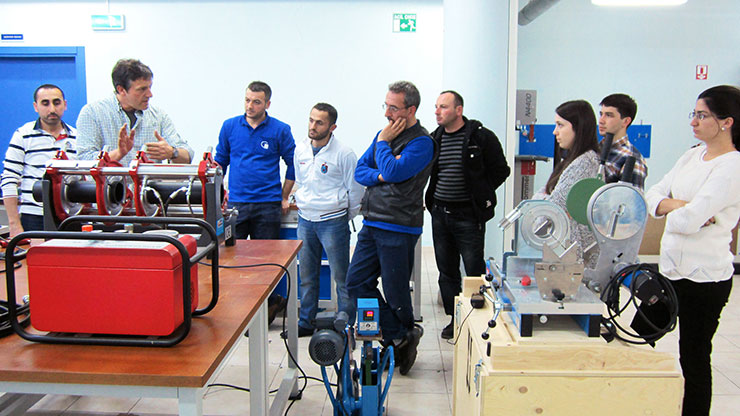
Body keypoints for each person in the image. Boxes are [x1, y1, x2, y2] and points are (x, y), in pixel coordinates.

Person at [645, 85, 740, 416]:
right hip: (670, 271)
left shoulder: (732, 166)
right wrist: (681, 207)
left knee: (694, 355)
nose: (694, 122)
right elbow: (652, 195)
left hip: (706, 279)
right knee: (640, 333)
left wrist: (676, 211)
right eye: (694, 114)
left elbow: (686, 221)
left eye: (702, 115)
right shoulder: (690, 155)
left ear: (726, 122)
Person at [346, 81, 435, 375]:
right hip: (372, 222)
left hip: (399, 226)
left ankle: (399, 339)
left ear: (410, 110)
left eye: (393, 107)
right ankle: (401, 336)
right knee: (356, 283)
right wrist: (382, 175)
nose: (387, 112)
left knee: (396, 293)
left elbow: (397, 170)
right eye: (385, 105)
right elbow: (361, 171)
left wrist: (383, 147)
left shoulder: (422, 142)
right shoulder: (383, 135)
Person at [425, 90, 510, 340]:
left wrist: (480, 191)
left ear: (458, 110)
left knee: (473, 270)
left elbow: (501, 170)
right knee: (446, 271)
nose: (438, 112)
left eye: (443, 107)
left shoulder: (481, 138)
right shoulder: (435, 139)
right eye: (436, 107)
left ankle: (477, 319)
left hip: (468, 216)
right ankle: (455, 319)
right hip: (440, 213)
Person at [215, 80, 296, 323]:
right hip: (236, 205)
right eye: (247, 100)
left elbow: (293, 164)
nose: (250, 106)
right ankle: (239, 308)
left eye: (256, 102)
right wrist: (219, 196)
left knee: (265, 262)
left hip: (267, 205)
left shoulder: (280, 129)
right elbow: (220, 163)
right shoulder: (230, 127)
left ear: (267, 104)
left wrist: (284, 196)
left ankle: (267, 306)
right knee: (233, 258)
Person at [293, 103, 364, 337]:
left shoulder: (344, 153)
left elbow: (355, 190)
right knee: (307, 276)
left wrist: (345, 216)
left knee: (341, 276)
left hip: (333, 222)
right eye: (311, 120)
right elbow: (300, 181)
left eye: (319, 122)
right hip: (305, 220)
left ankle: (346, 323)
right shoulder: (300, 149)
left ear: (332, 126)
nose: (313, 126)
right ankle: (306, 321)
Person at [76, 59, 193, 165]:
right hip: (110, 187)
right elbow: (84, 160)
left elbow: (188, 155)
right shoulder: (92, 113)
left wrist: (173, 152)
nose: (150, 95)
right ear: (121, 90)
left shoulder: (158, 116)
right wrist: (118, 153)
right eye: (142, 89)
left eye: (149, 87)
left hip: (147, 188)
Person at [2, 84, 77, 236]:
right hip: (35, 217)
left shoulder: (77, 137)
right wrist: (14, 224)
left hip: (71, 217)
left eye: (57, 102)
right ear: (36, 107)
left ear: (65, 105)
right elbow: (9, 179)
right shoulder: (23, 135)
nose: (52, 109)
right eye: (45, 103)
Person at [534, 100, 600, 266]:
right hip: (565, 252)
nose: (555, 132)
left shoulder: (585, 163)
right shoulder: (571, 161)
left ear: (579, 128)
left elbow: (552, 208)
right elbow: (545, 196)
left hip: (576, 258)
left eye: (560, 125)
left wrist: (541, 206)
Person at [597, 93, 648, 188]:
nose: (601, 120)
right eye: (601, 114)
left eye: (609, 115)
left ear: (626, 121)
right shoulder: (594, 149)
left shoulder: (632, 159)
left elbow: (630, 200)